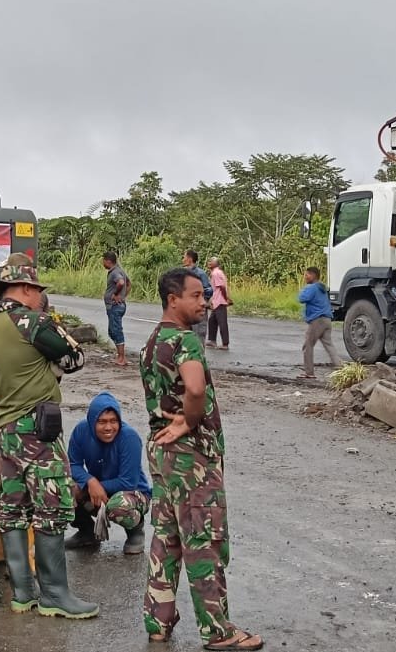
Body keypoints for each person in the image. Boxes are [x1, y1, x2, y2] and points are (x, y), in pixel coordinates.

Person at [138, 268, 262, 650]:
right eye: (195, 296)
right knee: (203, 541)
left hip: (161, 452)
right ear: (172, 299)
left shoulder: (152, 341)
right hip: (190, 457)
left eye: (204, 295)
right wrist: (190, 421)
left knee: (166, 537)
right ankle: (218, 631)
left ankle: (158, 621)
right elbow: (194, 388)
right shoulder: (186, 340)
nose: (204, 302)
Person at [0, 252, 96, 619]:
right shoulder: (32, 321)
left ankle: (22, 592)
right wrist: (50, 364)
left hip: (4, 430)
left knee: (14, 507)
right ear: (27, 288)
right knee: (53, 506)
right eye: (37, 290)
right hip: (34, 429)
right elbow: (76, 357)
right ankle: (55, 595)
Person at [64, 391, 152, 554]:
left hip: (132, 494)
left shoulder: (129, 437)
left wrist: (98, 486)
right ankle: (86, 532)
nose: (108, 427)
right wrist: (90, 481)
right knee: (63, 489)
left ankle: (135, 531)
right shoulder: (81, 431)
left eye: (113, 421)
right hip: (98, 490)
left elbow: (128, 482)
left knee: (118, 505)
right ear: (92, 421)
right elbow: (72, 464)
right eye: (102, 422)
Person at [297, 266, 339, 380]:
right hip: (327, 320)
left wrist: (303, 290)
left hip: (317, 320)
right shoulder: (322, 288)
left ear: (313, 275)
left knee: (307, 345)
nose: (305, 277)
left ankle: (309, 372)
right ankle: (342, 369)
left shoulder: (312, 288)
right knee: (329, 346)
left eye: (307, 275)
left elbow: (302, 298)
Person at [102, 251, 131, 366]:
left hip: (115, 306)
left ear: (108, 261)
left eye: (103, 260)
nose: (103, 263)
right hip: (115, 306)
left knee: (116, 330)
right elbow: (129, 283)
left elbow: (121, 282)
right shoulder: (119, 270)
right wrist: (123, 296)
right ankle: (120, 355)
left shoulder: (115, 272)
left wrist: (116, 294)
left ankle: (122, 358)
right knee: (112, 331)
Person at [182, 250, 213, 341]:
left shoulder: (200, 273)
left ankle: (199, 350)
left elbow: (208, 290)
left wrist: (201, 299)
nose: (183, 259)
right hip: (187, 307)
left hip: (198, 307)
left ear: (189, 259)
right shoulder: (183, 273)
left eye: (184, 257)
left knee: (199, 333)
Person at [206, 257, 231, 350]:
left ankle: (225, 344)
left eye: (211, 261)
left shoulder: (216, 273)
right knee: (212, 321)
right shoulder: (217, 272)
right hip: (217, 300)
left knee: (222, 322)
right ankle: (212, 340)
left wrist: (226, 298)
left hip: (220, 301)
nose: (209, 262)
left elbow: (222, 287)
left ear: (216, 264)